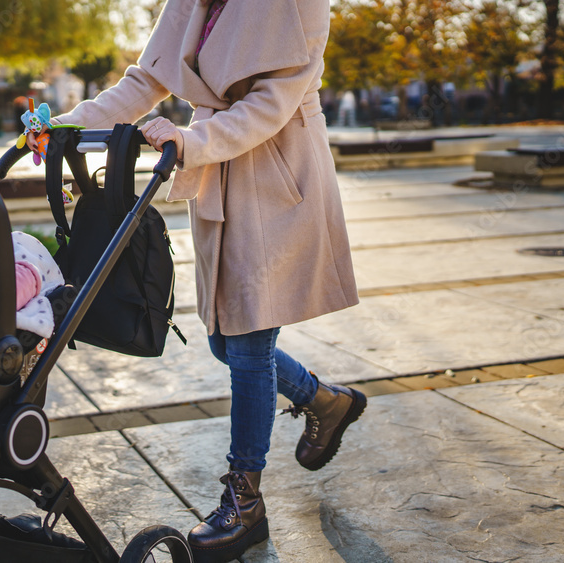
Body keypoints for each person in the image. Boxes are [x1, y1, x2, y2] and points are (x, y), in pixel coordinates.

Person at [27, 0, 364, 561]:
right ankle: (326, 402)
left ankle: (245, 502)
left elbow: (268, 105)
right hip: (217, 170)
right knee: (223, 338)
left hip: (278, 177)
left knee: (250, 341)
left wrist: (187, 140)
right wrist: (63, 126)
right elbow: (146, 80)